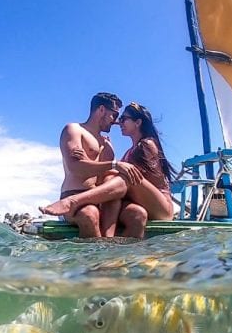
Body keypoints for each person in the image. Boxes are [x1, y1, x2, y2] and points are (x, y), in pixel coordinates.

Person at [40, 102, 175, 239]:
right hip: (144, 203)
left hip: (161, 207)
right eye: (117, 118)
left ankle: (73, 202)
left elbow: (127, 177)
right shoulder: (130, 151)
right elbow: (113, 174)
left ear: (137, 122)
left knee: (124, 177)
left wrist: (105, 164)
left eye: (123, 119)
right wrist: (98, 162)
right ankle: (110, 245)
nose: (118, 123)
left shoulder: (147, 145)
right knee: (119, 188)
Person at [39, 92, 140, 238]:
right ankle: (98, 260)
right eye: (114, 115)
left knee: (137, 214)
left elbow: (106, 179)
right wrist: (113, 165)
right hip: (74, 194)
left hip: (101, 198)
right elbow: (76, 168)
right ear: (101, 110)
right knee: (90, 214)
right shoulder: (74, 130)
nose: (115, 121)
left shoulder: (108, 145)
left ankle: (127, 259)